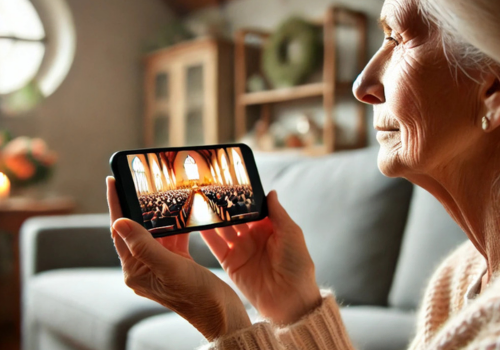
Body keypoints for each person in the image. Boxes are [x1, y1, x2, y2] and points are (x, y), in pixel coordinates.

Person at [106, 0, 500, 348]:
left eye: (397, 39)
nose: (363, 85)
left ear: (492, 88)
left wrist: (223, 321)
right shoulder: (460, 276)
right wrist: (297, 307)